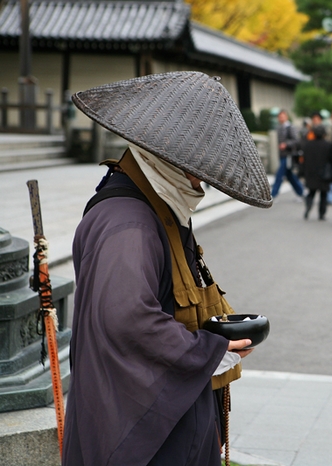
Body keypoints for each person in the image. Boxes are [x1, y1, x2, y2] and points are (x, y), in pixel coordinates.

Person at [63, 71, 271, 465]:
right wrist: (208, 351)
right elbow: (127, 318)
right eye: (198, 168)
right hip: (141, 436)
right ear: (168, 158)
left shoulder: (158, 208)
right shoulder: (129, 222)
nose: (201, 181)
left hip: (171, 420)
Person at [271, 110, 305, 198]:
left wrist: (286, 144)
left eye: (282, 116)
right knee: (290, 176)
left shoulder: (290, 127)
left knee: (279, 174)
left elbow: (296, 140)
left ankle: (273, 194)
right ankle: (301, 192)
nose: (281, 118)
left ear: (286, 117)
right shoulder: (279, 128)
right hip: (282, 155)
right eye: (280, 116)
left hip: (288, 155)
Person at [302, 125, 332, 220]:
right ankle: (321, 214)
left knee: (311, 192)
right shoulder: (328, 145)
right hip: (324, 174)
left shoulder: (308, 145)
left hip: (311, 173)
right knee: (323, 195)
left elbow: (304, 160)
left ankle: (308, 206)